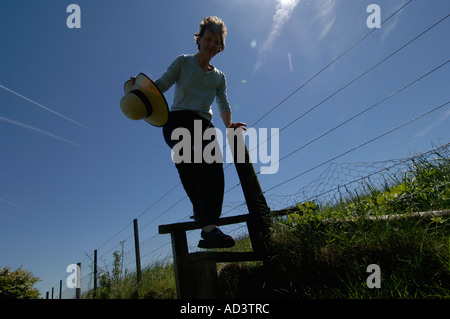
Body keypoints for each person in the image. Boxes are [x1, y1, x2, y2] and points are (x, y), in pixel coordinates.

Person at [133, 16, 246, 248]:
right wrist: (141, 89)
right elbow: (162, 84)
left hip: (203, 124)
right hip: (176, 120)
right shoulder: (183, 62)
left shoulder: (218, 77)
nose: (212, 45)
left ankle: (209, 228)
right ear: (199, 39)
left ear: (220, 47)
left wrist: (229, 125)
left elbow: (223, 103)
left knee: (212, 166)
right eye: (208, 39)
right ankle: (205, 219)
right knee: (188, 164)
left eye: (217, 42)